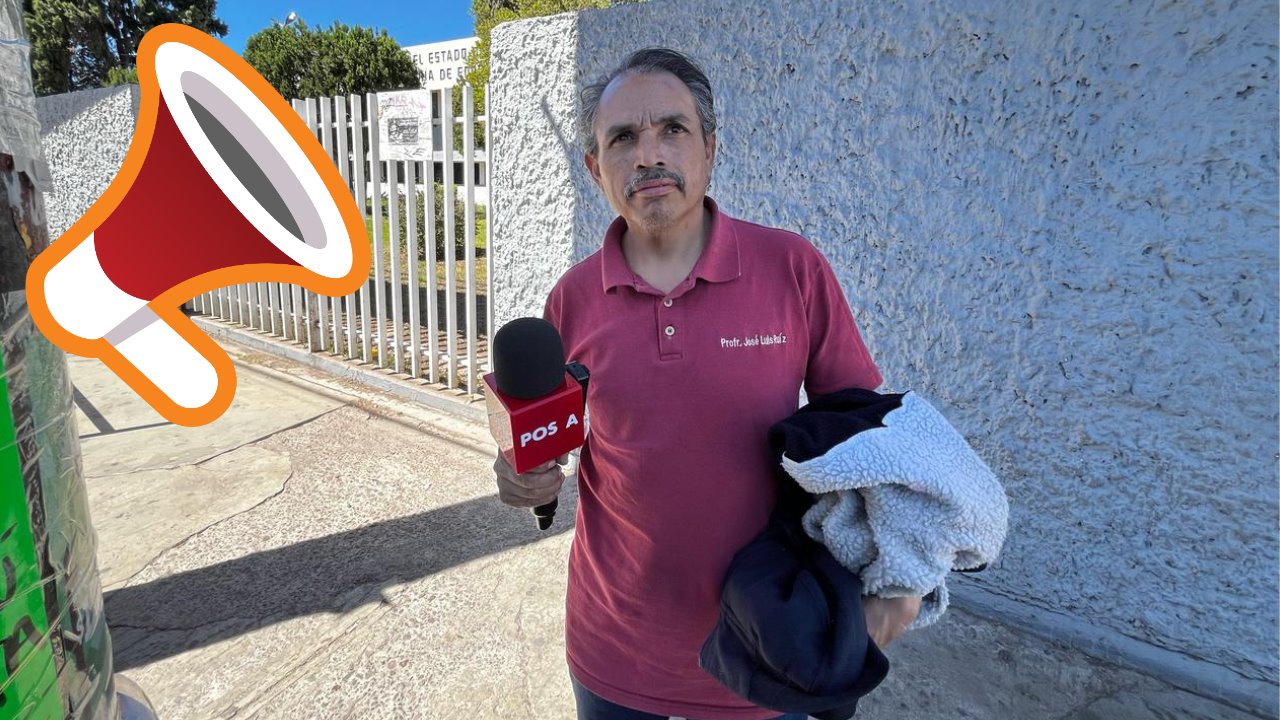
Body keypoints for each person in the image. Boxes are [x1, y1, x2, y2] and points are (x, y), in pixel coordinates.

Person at [492, 47, 921, 720]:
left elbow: (870, 438)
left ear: (710, 149)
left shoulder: (792, 268)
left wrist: (902, 581)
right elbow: (546, 442)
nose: (648, 154)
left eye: (672, 129)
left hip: (772, 652)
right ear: (593, 168)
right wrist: (521, 475)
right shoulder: (571, 300)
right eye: (623, 138)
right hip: (614, 657)